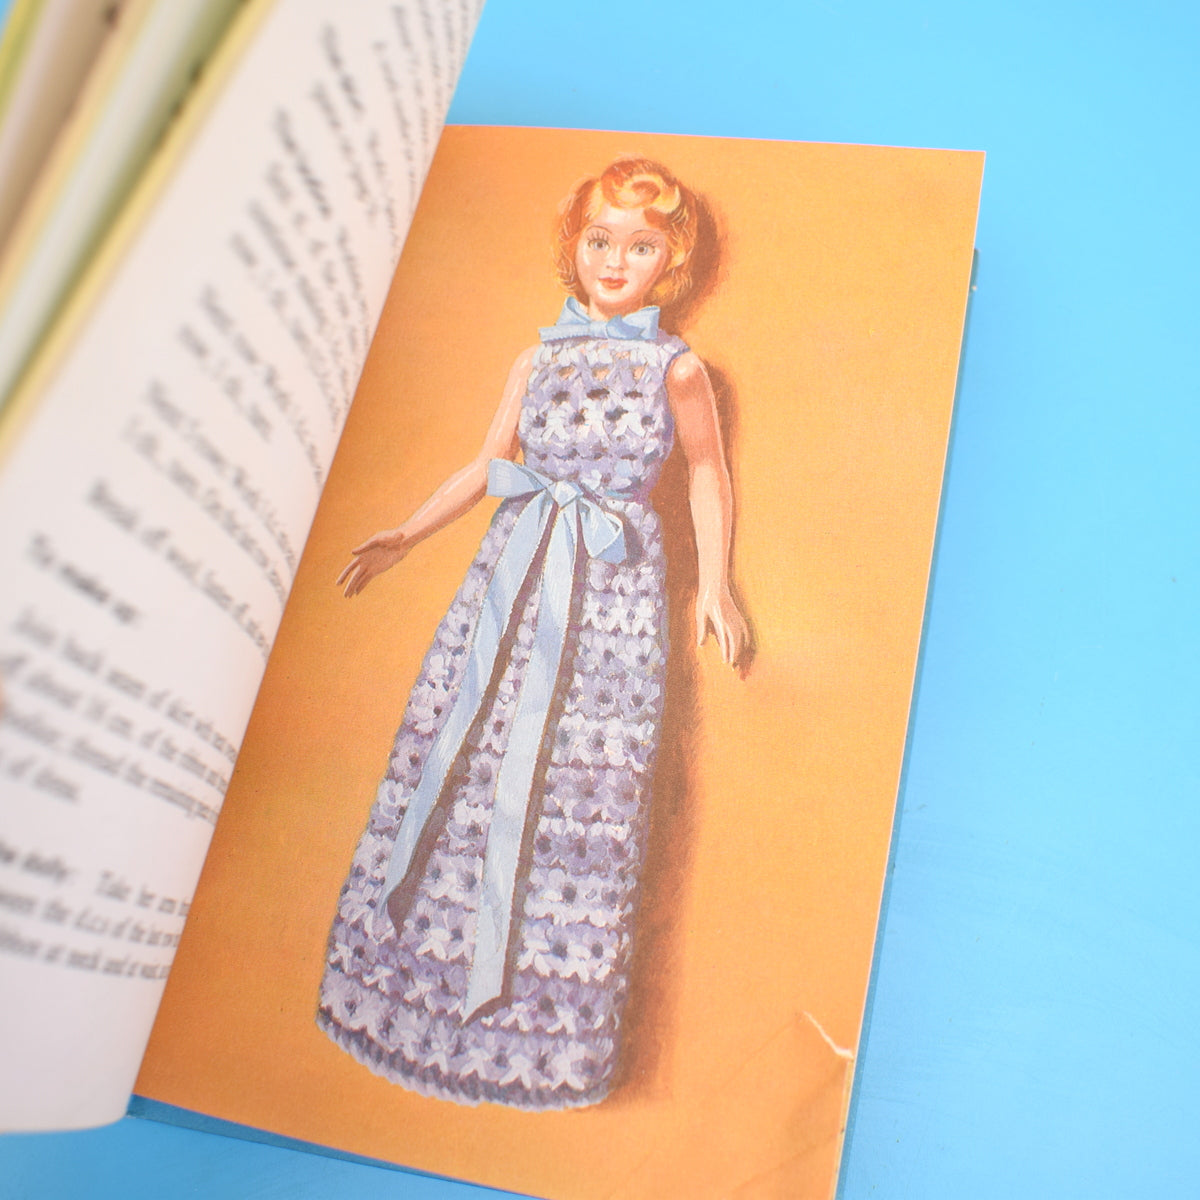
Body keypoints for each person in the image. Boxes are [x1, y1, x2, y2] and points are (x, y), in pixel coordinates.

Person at [318, 157, 748, 1109]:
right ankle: (396, 999)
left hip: (609, 602)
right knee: (462, 757)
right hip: (508, 583)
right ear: (574, 245)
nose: (615, 262)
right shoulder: (536, 359)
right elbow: (487, 465)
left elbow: (708, 473)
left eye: (641, 247)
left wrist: (715, 586)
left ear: (670, 263)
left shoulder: (677, 370)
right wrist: (405, 534)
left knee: (573, 797)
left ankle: (538, 1039)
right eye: (600, 241)